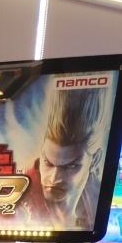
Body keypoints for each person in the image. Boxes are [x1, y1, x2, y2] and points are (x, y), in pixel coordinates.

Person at [20, 86, 108, 229]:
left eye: (71, 166)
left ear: (95, 161)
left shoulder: (98, 194)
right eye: (48, 162)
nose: (54, 178)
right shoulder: (18, 196)